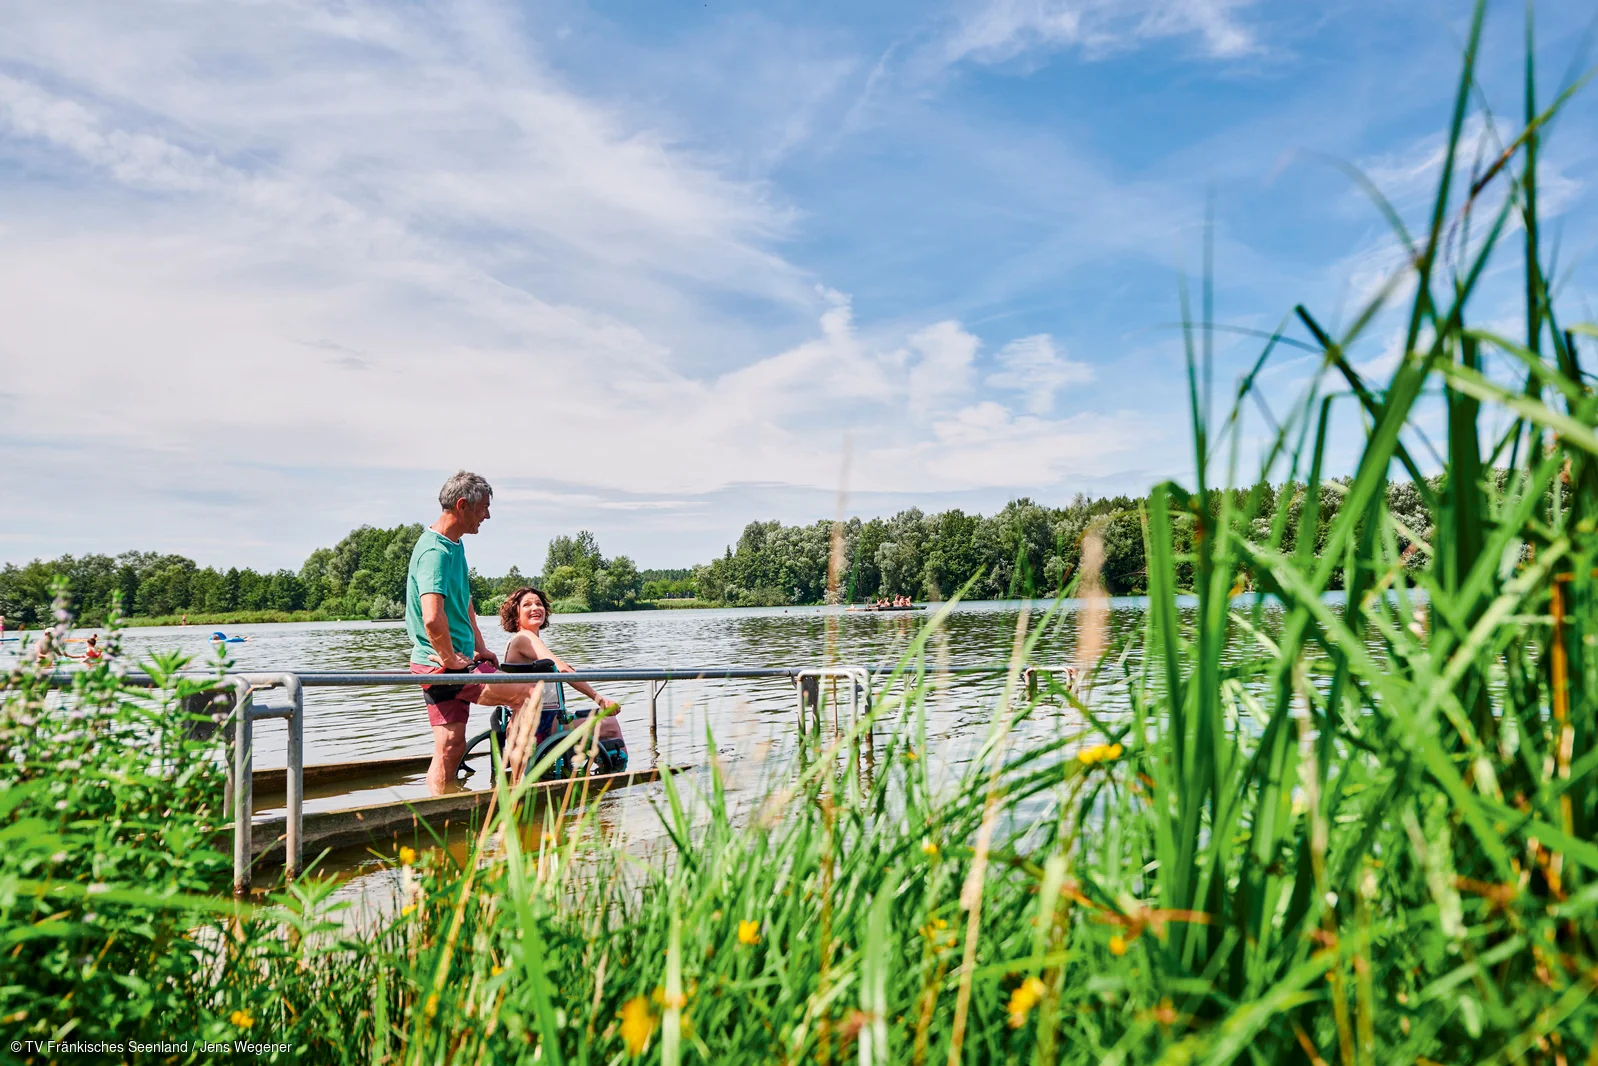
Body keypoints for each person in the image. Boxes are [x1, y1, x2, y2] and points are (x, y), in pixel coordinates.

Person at [406, 471, 543, 794]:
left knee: (451, 745)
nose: (488, 515)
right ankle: (516, 788)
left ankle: (440, 807)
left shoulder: (453, 546)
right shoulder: (434, 553)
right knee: (527, 694)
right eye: (484, 507)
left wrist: (480, 647)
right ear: (463, 505)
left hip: (443, 660)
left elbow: (464, 602)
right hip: (443, 663)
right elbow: (431, 617)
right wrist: (450, 659)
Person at [496, 586, 619, 779]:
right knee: (610, 723)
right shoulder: (525, 638)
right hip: (539, 724)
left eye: (538, 603)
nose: (535, 607)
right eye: (527, 604)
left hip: (528, 721)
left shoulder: (518, 640)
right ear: (516, 615)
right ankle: (613, 778)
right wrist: (599, 699)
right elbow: (561, 669)